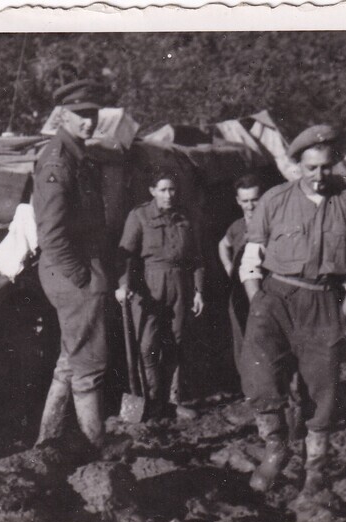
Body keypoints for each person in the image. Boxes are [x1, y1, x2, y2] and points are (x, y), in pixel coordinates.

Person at [238, 124, 346, 495]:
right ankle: (275, 450)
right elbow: (252, 259)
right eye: (311, 167)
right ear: (297, 165)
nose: (318, 176)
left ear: (335, 166)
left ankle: (316, 466)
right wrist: (259, 303)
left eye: (326, 167)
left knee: (321, 387)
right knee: (260, 375)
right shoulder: (275, 200)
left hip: (323, 301)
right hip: (275, 299)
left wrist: (341, 315)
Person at [33, 79, 111, 451]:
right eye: (81, 115)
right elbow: (51, 233)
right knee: (89, 364)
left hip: (75, 268)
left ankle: (46, 441)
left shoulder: (77, 154)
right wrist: (82, 278)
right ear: (62, 115)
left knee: (70, 358)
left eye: (93, 114)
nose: (89, 122)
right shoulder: (58, 161)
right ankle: (97, 445)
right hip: (72, 271)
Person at [115, 174, 205, 420]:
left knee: (175, 344)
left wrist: (198, 291)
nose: (169, 195)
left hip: (180, 284)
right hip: (150, 285)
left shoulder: (184, 217)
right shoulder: (139, 216)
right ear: (152, 190)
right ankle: (151, 403)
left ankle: (173, 401)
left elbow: (196, 258)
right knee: (147, 347)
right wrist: (124, 284)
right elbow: (125, 256)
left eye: (173, 190)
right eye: (163, 190)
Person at [218, 174, 262, 373]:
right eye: (245, 201)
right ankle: (250, 388)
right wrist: (228, 265)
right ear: (238, 201)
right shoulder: (236, 227)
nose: (250, 206)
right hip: (239, 294)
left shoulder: (273, 224)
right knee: (243, 338)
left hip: (264, 291)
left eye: (255, 199)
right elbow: (223, 244)